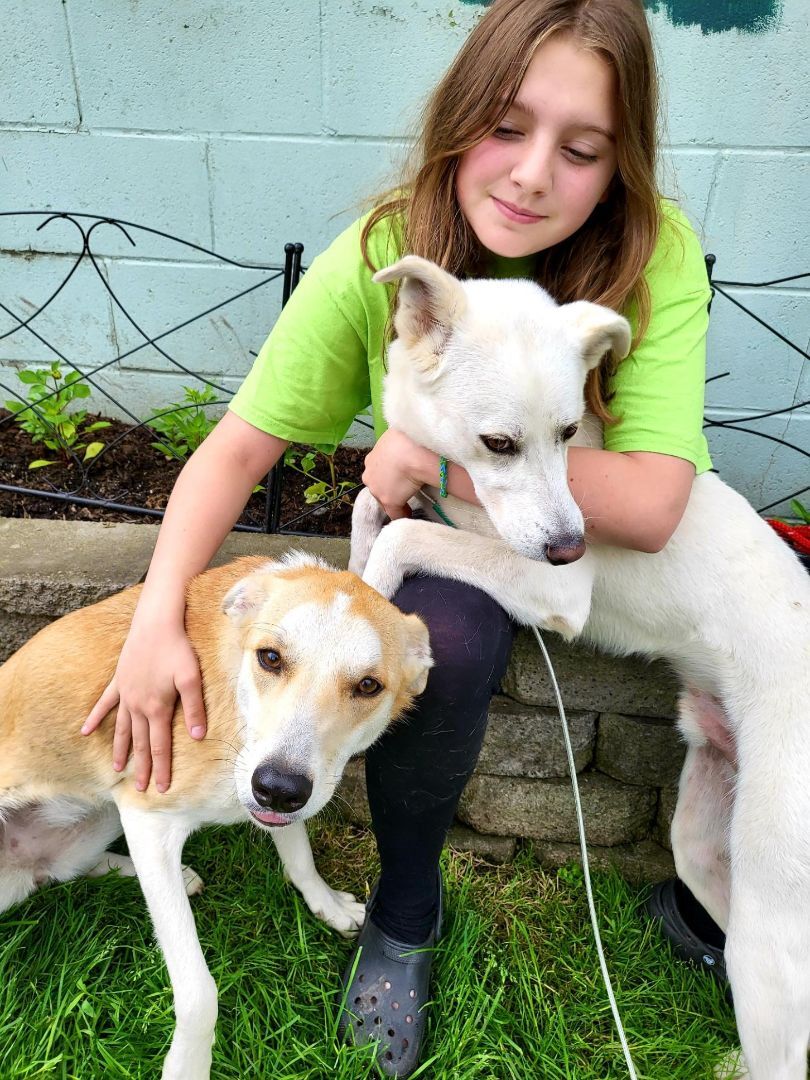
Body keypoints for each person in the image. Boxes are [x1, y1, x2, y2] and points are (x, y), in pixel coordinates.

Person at [83, 0, 712, 1073]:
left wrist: (435, 456)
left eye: (582, 149)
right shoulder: (384, 251)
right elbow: (236, 451)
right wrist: (154, 622)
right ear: (460, 118)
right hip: (462, 536)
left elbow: (652, 504)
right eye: (507, 127)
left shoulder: (651, 256)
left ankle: (695, 913)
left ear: (620, 165)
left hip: (581, 532)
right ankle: (405, 912)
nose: (529, 175)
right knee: (445, 643)